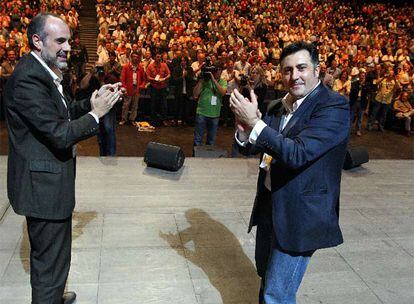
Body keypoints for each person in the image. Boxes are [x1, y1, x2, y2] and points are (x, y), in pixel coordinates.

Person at [4, 13, 122, 304]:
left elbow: (64, 111)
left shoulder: (42, 70)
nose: (67, 47)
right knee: (48, 266)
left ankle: (54, 296)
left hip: (50, 186)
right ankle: (49, 297)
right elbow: (59, 133)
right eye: (60, 40)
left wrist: (91, 102)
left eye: (68, 40)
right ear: (37, 40)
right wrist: (97, 114)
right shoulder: (28, 79)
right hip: (42, 189)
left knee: (56, 259)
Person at [229, 41, 350, 304]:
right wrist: (243, 129)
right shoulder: (276, 106)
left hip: (301, 215)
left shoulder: (333, 107)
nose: (294, 76)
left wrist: (255, 124)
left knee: (277, 294)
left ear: (317, 71)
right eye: (287, 70)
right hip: (271, 206)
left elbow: (298, 154)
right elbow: (257, 148)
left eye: (301, 68)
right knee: (265, 277)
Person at [193, 64, 227, 147]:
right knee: (198, 139)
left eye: (219, 70)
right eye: (215, 70)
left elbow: (222, 93)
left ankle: (209, 158)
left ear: (221, 71)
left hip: (215, 114)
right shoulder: (205, 80)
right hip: (202, 112)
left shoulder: (223, 81)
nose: (217, 72)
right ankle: (195, 158)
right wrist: (201, 80)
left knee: (211, 140)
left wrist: (213, 79)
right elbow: (195, 94)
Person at [120, 51, 146, 125]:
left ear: (138, 58)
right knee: (126, 105)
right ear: (131, 58)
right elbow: (122, 79)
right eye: (134, 56)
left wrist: (141, 86)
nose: (135, 58)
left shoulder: (140, 67)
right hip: (128, 88)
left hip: (136, 89)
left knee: (135, 106)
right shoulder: (126, 67)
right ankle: (124, 119)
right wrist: (124, 88)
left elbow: (144, 79)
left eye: (136, 57)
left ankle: (132, 119)